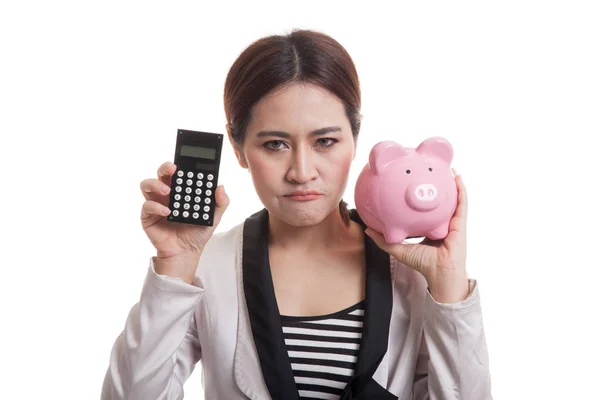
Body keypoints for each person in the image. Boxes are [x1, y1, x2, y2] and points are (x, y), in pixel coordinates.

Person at [101, 29, 492, 400]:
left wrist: (449, 286)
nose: (302, 171)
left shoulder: (413, 268)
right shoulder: (207, 268)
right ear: (238, 149)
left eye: (325, 141)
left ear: (355, 139)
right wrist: (175, 268)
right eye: (274, 144)